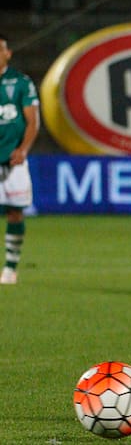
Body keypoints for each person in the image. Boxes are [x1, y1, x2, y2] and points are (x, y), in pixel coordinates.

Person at [0, 33, 40, 285]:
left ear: (8, 53)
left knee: (15, 212)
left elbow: (32, 122)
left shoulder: (21, 83)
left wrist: (23, 149)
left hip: (12, 159)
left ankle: (10, 268)